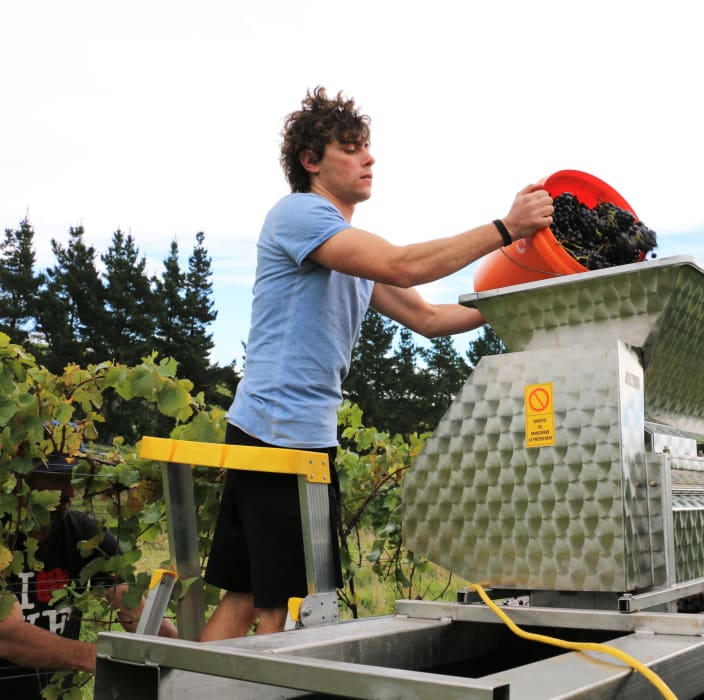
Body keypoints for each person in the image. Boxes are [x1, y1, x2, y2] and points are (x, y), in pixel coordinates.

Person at [200, 87, 554, 641]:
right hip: (281, 435)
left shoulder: (345, 250)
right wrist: (506, 229)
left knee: (245, 594)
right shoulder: (300, 215)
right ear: (310, 162)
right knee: (288, 607)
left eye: (367, 148)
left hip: (276, 431)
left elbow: (432, 318)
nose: (368, 159)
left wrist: (516, 299)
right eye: (350, 148)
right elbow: (403, 266)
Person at [0, 457, 178, 697]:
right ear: (22, 480)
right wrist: (97, 657)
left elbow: (133, 611)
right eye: (58, 479)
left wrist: (184, 654)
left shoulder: (84, 535)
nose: (70, 491)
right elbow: (7, 635)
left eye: (71, 479)